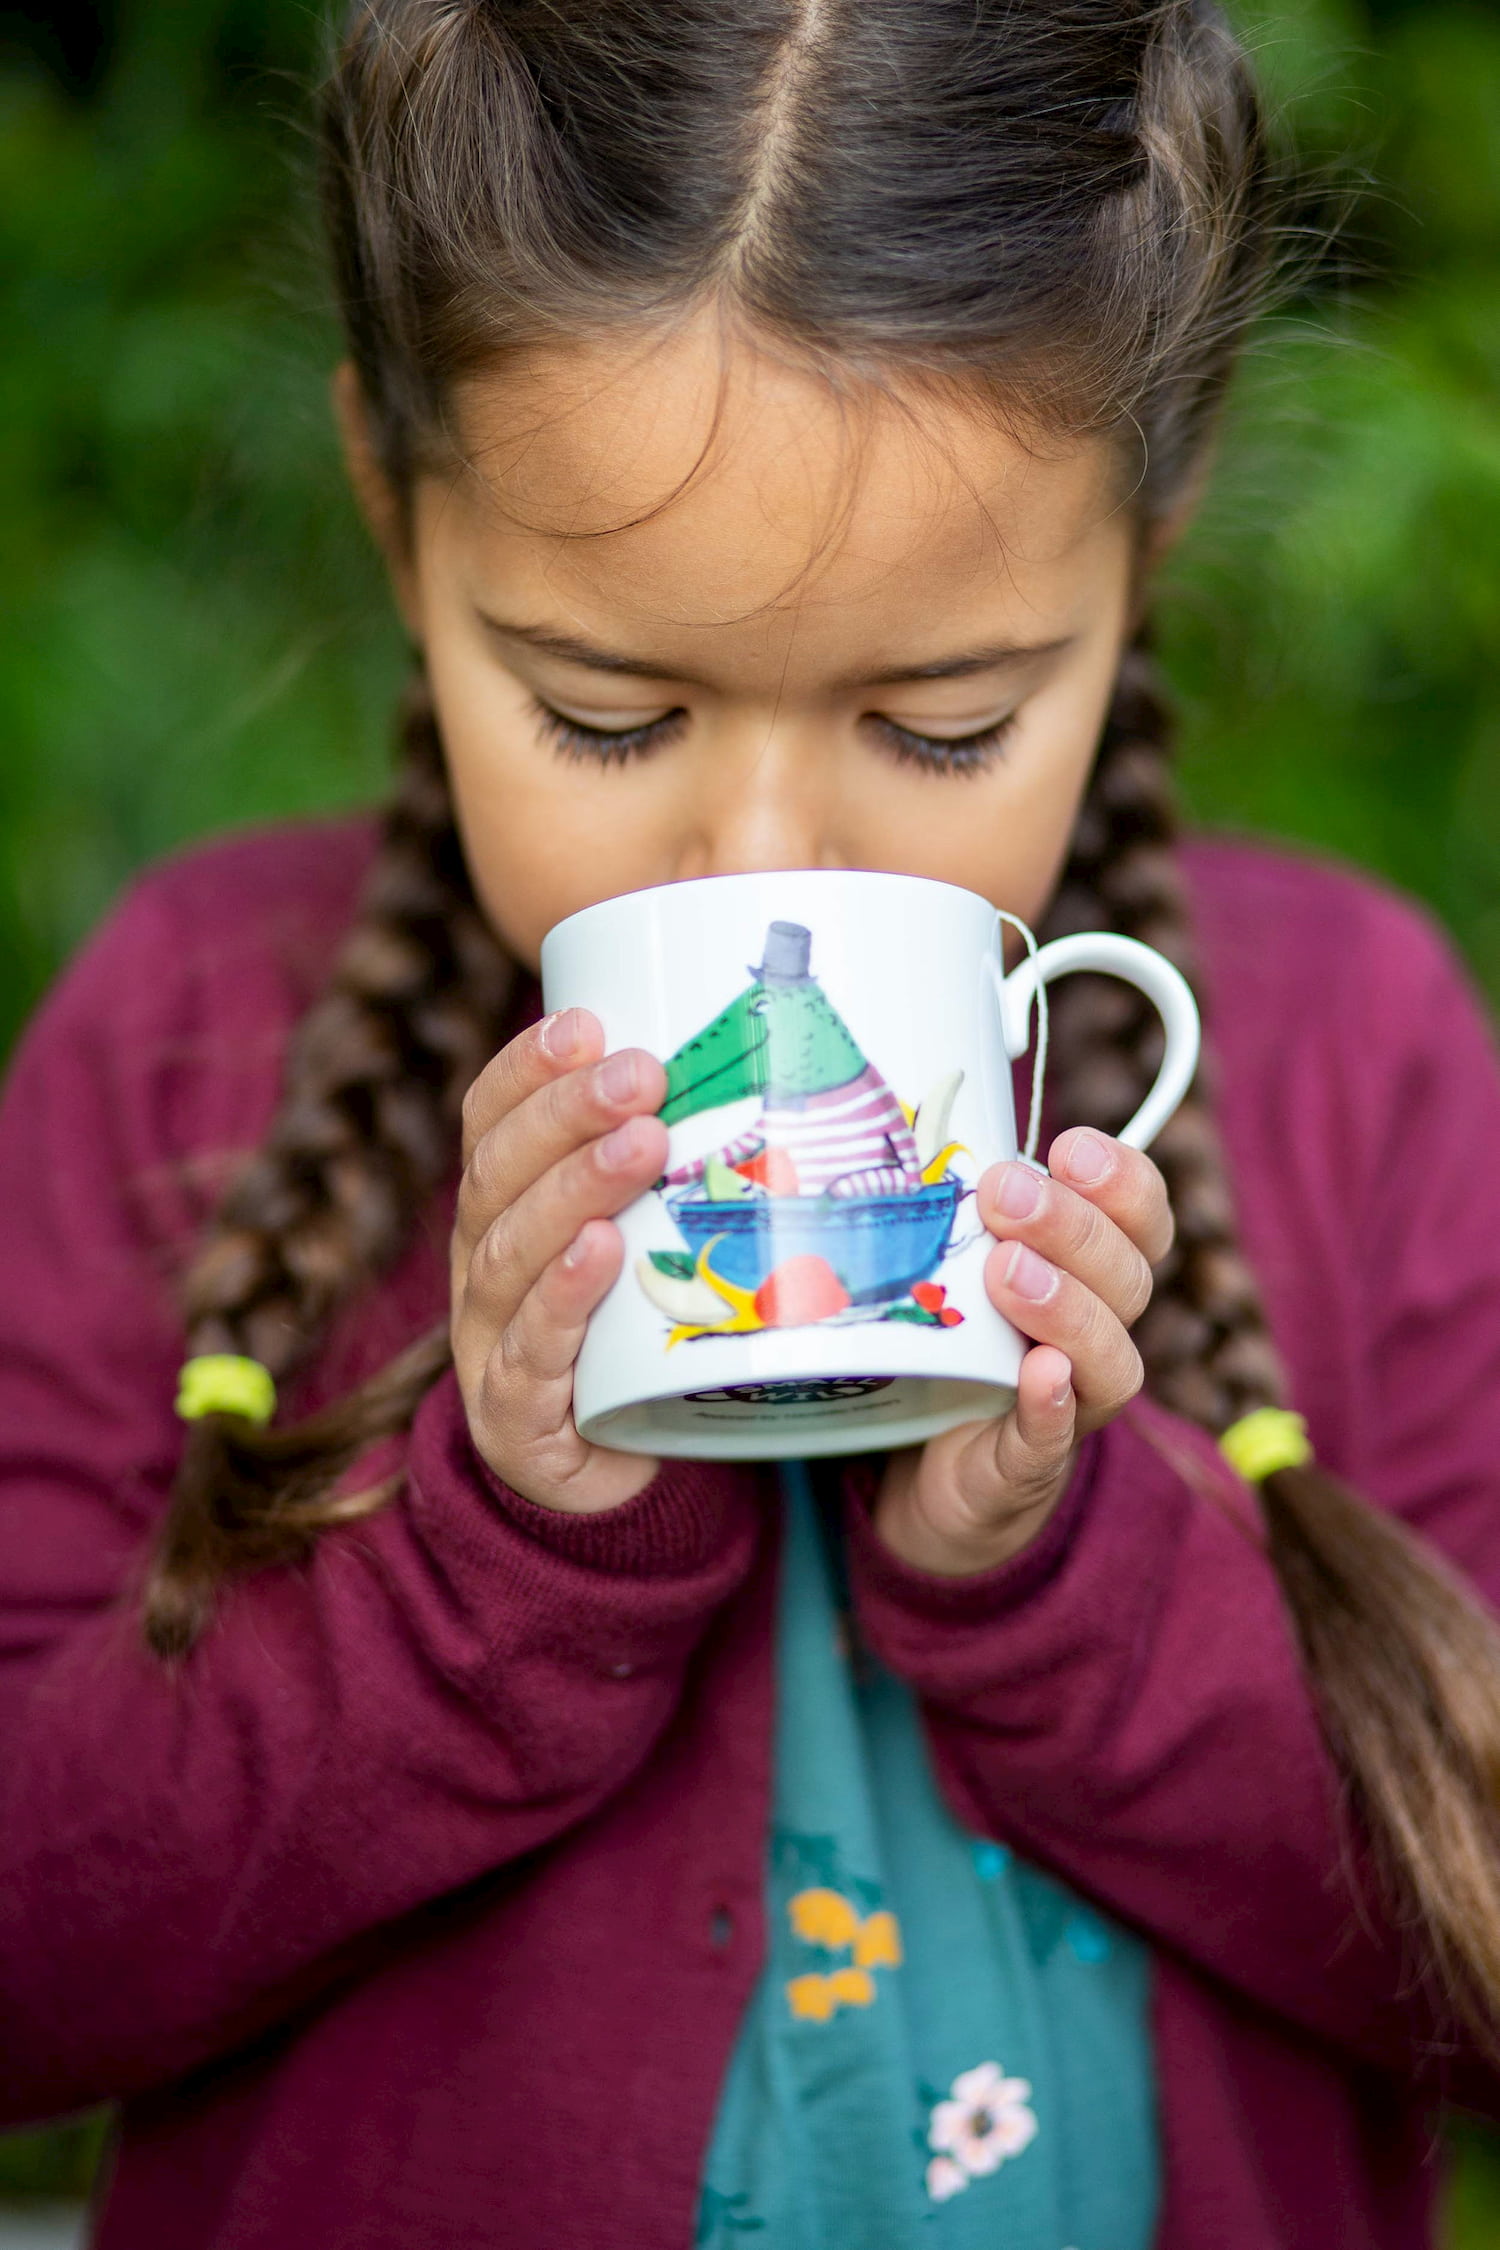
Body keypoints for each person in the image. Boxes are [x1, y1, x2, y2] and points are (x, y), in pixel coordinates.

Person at [4, 2, 1500, 2243]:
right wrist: (485, 1565)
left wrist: (1066, 1575)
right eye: (608, 716)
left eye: (945, 724)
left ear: (1150, 538)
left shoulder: (1349, 1048)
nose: (764, 862)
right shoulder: (194, 1033)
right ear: (397, 514)